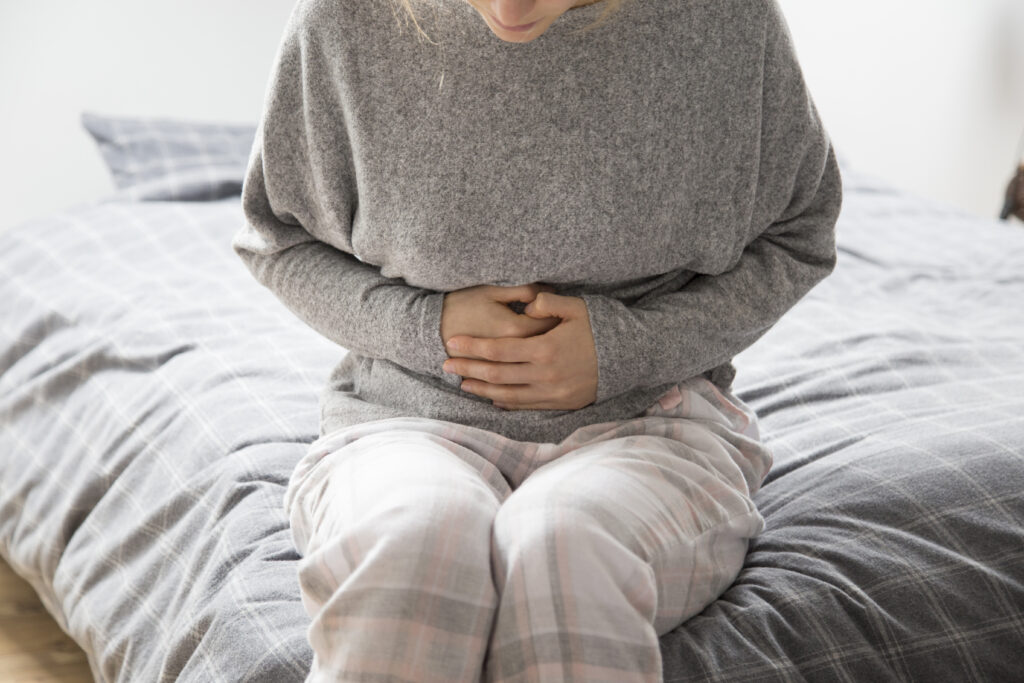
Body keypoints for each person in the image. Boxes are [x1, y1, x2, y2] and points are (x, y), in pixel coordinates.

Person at [231, 0, 843, 680]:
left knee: (565, 548)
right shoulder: (344, 20)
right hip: (403, 420)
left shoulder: (727, 21)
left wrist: (628, 348)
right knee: (413, 545)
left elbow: (799, 236)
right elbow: (278, 240)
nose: (509, 7)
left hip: (655, 423)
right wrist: (424, 325)